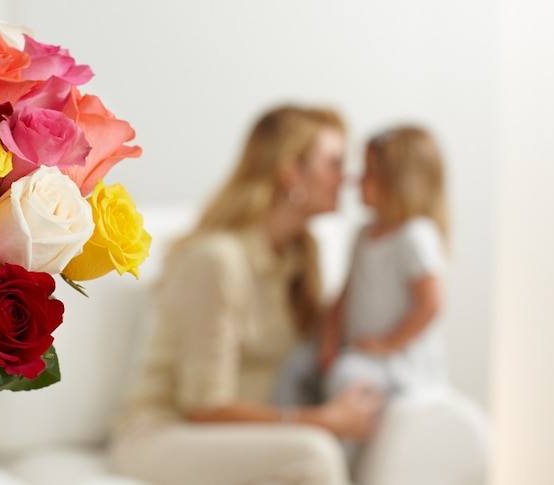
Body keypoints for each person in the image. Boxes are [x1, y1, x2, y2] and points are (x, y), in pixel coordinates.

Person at [108, 105, 382, 485]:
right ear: (290, 173)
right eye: (334, 162)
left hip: (232, 437)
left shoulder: (302, 258)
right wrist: (319, 420)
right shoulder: (218, 261)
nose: (346, 178)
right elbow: (202, 406)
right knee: (313, 454)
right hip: (164, 435)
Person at [319, 125, 449, 403]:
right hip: (362, 353)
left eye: (370, 174)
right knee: (303, 368)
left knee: (346, 376)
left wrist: (388, 344)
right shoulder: (363, 234)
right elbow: (345, 295)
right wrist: (329, 341)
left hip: (400, 366)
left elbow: (431, 304)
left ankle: (342, 445)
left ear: (401, 181)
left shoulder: (415, 235)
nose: (357, 181)